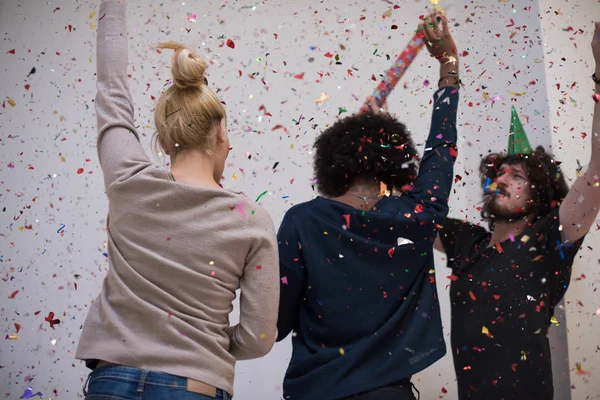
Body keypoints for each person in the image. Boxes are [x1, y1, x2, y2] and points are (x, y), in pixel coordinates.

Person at [76, 1, 280, 399]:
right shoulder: (250, 219)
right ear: (220, 132)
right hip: (194, 385)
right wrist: (205, 345)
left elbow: (111, 89)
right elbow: (258, 337)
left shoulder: (128, 180)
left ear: (165, 134)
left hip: (112, 380)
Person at [275, 12, 461, 400]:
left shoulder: (301, 222)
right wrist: (448, 67)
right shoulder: (416, 217)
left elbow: (275, 324)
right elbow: (440, 150)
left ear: (331, 163)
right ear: (395, 163)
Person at [434, 21, 600, 400]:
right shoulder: (467, 243)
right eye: (499, 173)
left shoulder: (548, 241)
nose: (502, 180)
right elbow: (411, 212)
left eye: (517, 176)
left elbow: (598, 169)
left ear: (540, 193)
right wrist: (448, 66)